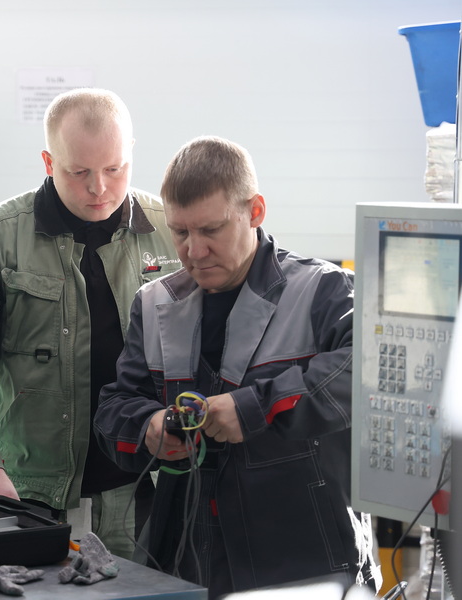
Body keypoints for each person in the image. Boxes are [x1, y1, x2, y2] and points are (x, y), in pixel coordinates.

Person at [94, 136, 380, 597]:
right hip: (183, 564)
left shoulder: (323, 291)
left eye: (212, 230)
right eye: (180, 232)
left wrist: (254, 408)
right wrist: (148, 427)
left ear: (255, 211)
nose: (194, 251)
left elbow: (370, 372)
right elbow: (114, 409)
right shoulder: (154, 304)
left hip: (303, 565)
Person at [0, 88, 181, 557]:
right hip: (32, 495)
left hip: (147, 491)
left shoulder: (172, 229)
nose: (99, 188)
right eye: (79, 172)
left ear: (131, 154)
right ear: (49, 162)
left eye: (114, 169)